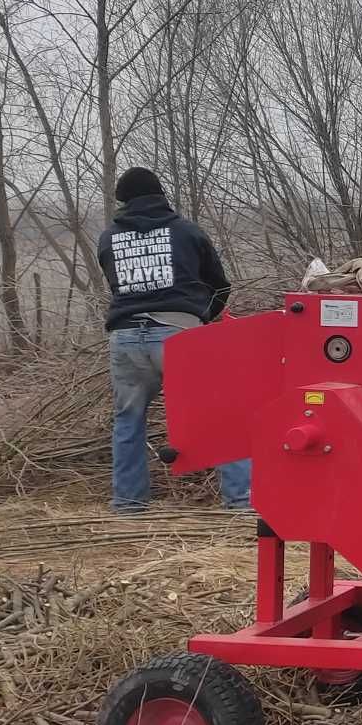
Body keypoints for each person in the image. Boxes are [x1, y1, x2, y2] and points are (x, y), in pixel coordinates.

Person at [98, 166, 251, 512]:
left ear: (123, 201)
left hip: (125, 337)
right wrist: (201, 317)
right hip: (179, 335)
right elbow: (219, 284)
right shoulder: (185, 232)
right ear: (160, 196)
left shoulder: (109, 237)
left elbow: (114, 283)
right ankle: (241, 501)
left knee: (128, 418)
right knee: (223, 414)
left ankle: (128, 504)